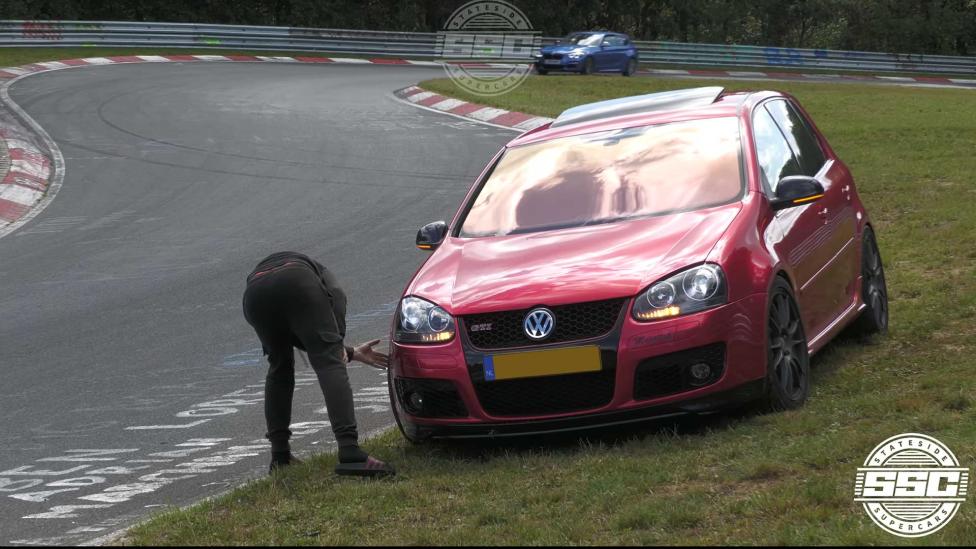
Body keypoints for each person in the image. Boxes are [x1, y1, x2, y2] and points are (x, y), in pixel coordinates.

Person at [243, 251, 396, 477]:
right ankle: (350, 451)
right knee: (328, 363)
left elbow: (304, 336)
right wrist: (338, 344)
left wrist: (346, 351)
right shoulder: (320, 275)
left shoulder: (297, 266)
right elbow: (337, 298)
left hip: (254, 293)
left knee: (280, 367)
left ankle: (280, 456)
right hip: (295, 281)